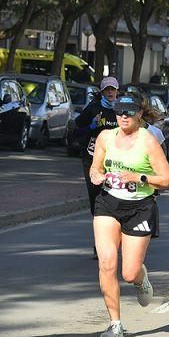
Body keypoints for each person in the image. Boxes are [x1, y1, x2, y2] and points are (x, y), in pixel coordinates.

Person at [89, 93, 169, 337]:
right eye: (119, 111)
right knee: (106, 264)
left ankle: (140, 277)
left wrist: (139, 177)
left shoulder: (148, 142)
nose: (123, 116)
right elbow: (96, 166)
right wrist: (96, 174)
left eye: (129, 112)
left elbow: (167, 180)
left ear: (139, 113)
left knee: (128, 272)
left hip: (140, 207)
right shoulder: (106, 137)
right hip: (108, 203)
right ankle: (115, 324)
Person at [75, 77, 121, 255]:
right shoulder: (94, 108)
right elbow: (76, 129)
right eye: (107, 90)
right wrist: (90, 126)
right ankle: (99, 244)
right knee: (96, 201)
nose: (110, 93)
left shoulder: (121, 110)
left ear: (117, 91)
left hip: (116, 161)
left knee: (113, 198)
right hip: (92, 160)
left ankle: (113, 237)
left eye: (113, 89)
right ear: (102, 92)